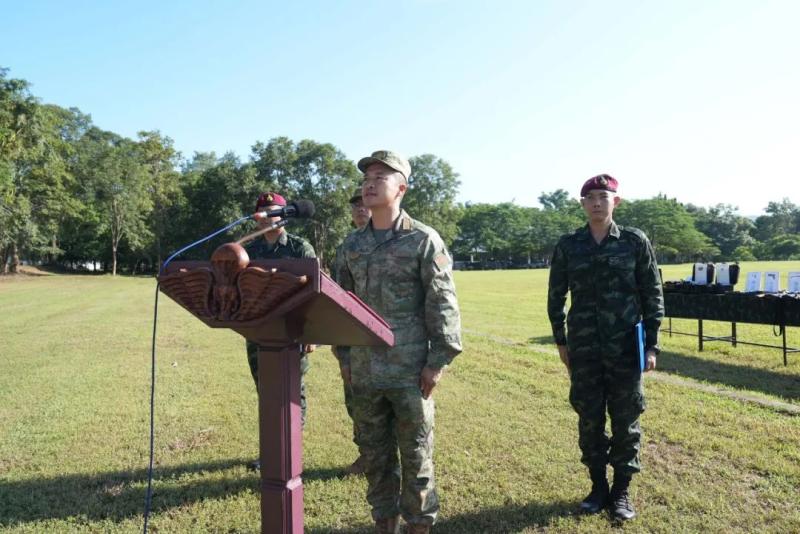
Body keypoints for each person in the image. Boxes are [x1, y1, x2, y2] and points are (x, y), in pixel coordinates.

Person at [332, 151, 462, 534]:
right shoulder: (351, 245)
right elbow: (339, 304)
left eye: (381, 177)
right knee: (375, 456)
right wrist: (343, 356)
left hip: (409, 371)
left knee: (416, 454)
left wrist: (437, 361)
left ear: (401, 188)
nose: (369, 183)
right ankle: (383, 524)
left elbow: (442, 303)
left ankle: (419, 525)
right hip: (365, 371)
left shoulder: (423, 240)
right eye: (367, 177)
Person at [547, 174, 664, 521]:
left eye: (603, 196)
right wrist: (560, 341)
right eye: (590, 198)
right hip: (583, 349)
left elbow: (652, 294)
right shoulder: (569, 245)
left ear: (617, 201)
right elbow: (556, 297)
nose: (596, 202)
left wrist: (652, 345)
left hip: (626, 348)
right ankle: (598, 487)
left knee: (627, 420)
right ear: (582, 204)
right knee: (590, 419)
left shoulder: (634, 241)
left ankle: (622, 491)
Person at [244, 191, 316, 470]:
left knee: (291, 393)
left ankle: (289, 450)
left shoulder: (300, 248)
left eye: (275, 211)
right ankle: (273, 451)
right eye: (264, 211)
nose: (268, 216)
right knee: (266, 392)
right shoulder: (248, 251)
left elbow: (314, 293)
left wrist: (311, 333)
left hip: (293, 332)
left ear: (286, 215)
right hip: (258, 332)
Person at [334, 188, 372, 475]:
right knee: (355, 399)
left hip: (389, 337)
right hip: (354, 338)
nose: (360, 209)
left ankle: (389, 456)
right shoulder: (346, 246)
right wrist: (340, 348)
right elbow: (339, 298)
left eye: (363, 204)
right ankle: (367, 454)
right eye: (355, 206)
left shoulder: (399, 240)